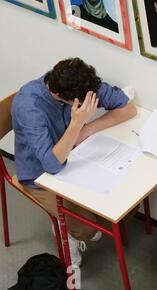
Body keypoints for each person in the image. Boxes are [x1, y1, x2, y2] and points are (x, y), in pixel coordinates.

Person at [12, 57, 137, 267]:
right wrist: (76, 124)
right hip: (40, 174)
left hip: (78, 157)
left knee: (124, 205)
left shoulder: (79, 81)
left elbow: (127, 108)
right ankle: (64, 231)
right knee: (89, 231)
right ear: (61, 97)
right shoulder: (29, 107)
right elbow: (51, 164)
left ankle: (71, 223)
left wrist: (86, 129)